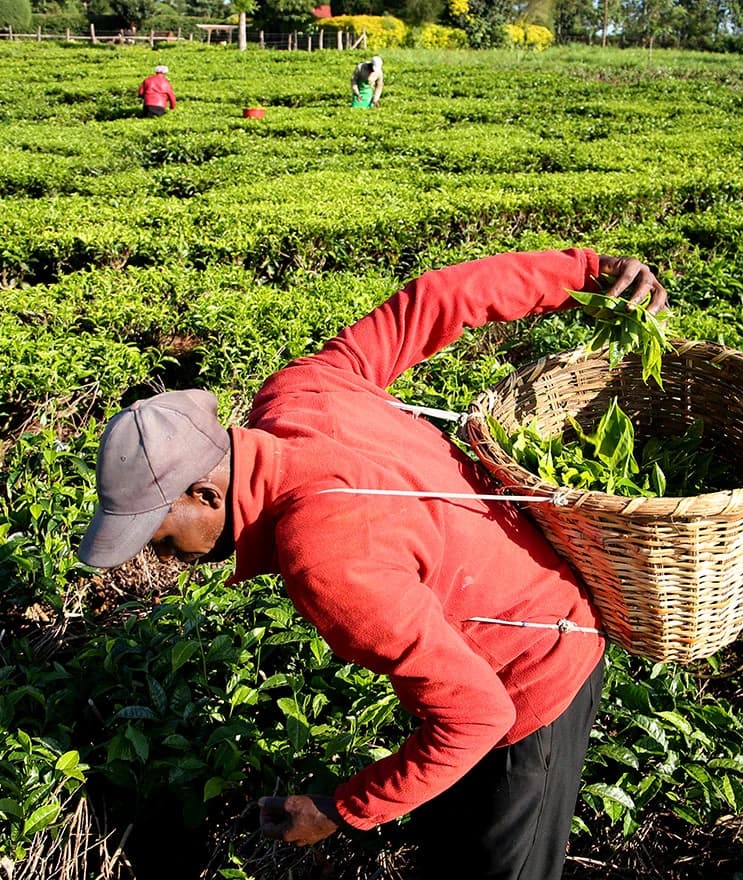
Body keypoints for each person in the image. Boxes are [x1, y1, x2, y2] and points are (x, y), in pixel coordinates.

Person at [77, 250, 669, 880]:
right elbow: (435, 299)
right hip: (519, 596)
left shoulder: (326, 559)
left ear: (207, 494)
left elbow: (478, 716)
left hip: (535, 678)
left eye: (159, 536)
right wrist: (583, 272)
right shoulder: (298, 392)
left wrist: (340, 808)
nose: (163, 557)